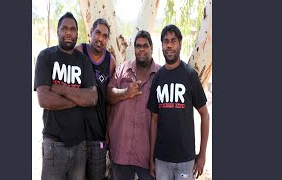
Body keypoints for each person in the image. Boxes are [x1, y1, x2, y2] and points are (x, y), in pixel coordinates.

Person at [34, 12, 98, 180]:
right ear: (58, 31)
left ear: (78, 33)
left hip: (79, 145)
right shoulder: (46, 57)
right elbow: (44, 100)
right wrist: (79, 99)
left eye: (73, 29)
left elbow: (92, 98)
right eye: (65, 28)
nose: (69, 32)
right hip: (53, 144)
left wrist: (61, 89)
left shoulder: (83, 60)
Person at [147, 24, 210, 180]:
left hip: (186, 159)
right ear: (161, 45)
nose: (169, 45)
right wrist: (151, 158)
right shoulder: (158, 77)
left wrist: (202, 154)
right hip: (161, 159)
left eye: (173, 41)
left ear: (180, 44)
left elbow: (205, 115)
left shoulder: (190, 75)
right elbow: (154, 119)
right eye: (166, 41)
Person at [106, 30, 161, 180]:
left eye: (145, 46)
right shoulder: (123, 69)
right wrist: (125, 92)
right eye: (138, 46)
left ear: (151, 48)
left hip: (147, 154)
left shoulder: (161, 75)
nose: (141, 49)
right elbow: (108, 95)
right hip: (121, 150)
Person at [75, 18, 116, 180]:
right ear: (90, 33)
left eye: (105, 36)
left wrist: (108, 129)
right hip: (76, 134)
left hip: (98, 134)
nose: (100, 38)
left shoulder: (110, 61)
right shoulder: (79, 51)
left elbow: (110, 98)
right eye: (97, 33)